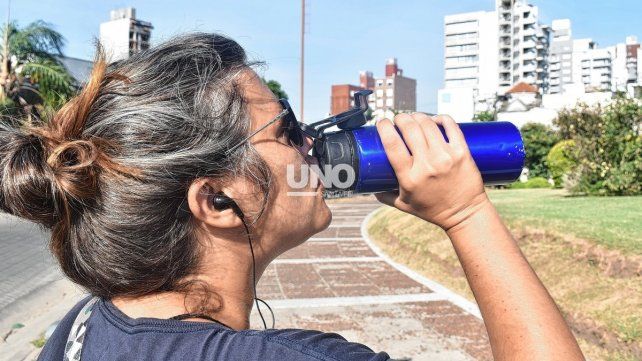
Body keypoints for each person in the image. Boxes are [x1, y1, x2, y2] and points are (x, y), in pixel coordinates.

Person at [0, 33, 584, 361]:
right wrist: (466, 213)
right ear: (217, 200)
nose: (311, 146)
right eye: (286, 132)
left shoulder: (84, 325)